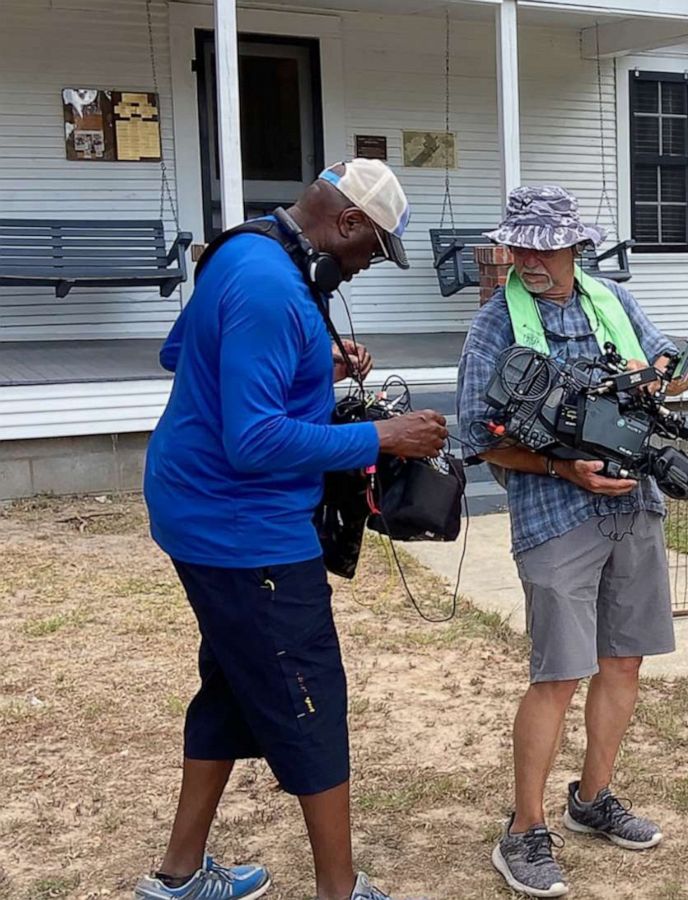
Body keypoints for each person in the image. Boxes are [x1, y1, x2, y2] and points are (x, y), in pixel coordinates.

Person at [137, 159, 448, 900]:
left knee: (233, 687)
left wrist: (313, 368)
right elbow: (253, 440)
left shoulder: (242, 249)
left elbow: (181, 353)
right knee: (310, 703)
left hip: (196, 512)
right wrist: (382, 436)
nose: (367, 266)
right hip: (244, 532)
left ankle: (179, 876)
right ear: (345, 223)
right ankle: (339, 892)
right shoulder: (274, 287)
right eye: (371, 249)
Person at [456, 185, 688, 899]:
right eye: (517, 245)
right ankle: (524, 830)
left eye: (541, 245)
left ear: (574, 247)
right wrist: (562, 466)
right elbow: (476, 438)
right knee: (558, 673)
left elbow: (668, 373)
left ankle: (592, 800)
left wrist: (666, 374)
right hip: (554, 517)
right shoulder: (495, 326)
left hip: (635, 502)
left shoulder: (613, 302)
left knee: (624, 662)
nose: (526, 258)